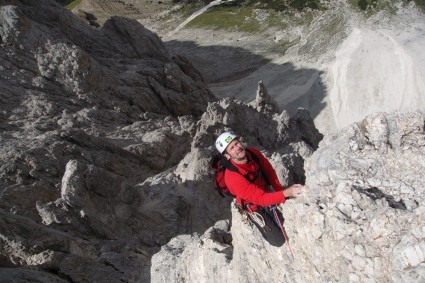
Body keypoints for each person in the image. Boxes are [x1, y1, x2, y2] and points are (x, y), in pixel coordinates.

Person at [215, 132, 303, 246]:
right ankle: (254, 219)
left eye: (237, 143)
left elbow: (269, 172)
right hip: (253, 205)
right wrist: (287, 193)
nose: (238, 148)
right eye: (232, 148)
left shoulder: (253, 153)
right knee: (278, 240)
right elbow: (260, 199)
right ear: (227, 156)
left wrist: (279, 191)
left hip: (264, 191)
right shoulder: (233, 178)